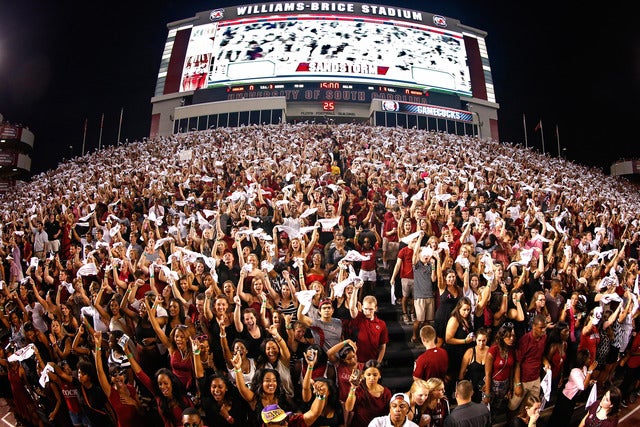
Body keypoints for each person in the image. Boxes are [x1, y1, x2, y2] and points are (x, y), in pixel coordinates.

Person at [508, 314, 550, 414]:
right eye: (541, 328)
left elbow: (541, 354)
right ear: (534, 326)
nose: (543, 330)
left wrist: (545, 361)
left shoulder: (544, 338)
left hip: (536, 379)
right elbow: (517, 363)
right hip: (523, 380)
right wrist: (518, 384)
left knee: (532, 407)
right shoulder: (525, 340)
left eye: (545, 327)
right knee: (513, 407)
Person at [548, 349, 598, 426]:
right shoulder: (575, 371)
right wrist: (590, 371)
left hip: (572, 397)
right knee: (559, 418)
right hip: (565, 398)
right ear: (583, 359)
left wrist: (590, 382)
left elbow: (584, 382)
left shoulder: (584, 368)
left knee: (567, 417)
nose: (590, 360)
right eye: (588, 358)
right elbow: (583, 387)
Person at [344, 359, 392, 427]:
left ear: (379, 375)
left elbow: (390, 414)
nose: (371, 378)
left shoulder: (386, 393)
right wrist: (353, 387)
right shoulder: (359, 388)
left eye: (375, 375)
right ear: (363, 375)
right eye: (369, 374)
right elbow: (348, 408)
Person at [459, 327, 489, 403]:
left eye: (483, 341)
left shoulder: (490, 351)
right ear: (475, 339)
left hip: (485, 386)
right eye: (479, 340)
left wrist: (488, 384)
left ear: (487, 340)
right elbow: (461, 374)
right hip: (472, 388)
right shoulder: (469, 352)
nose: (481, 343)